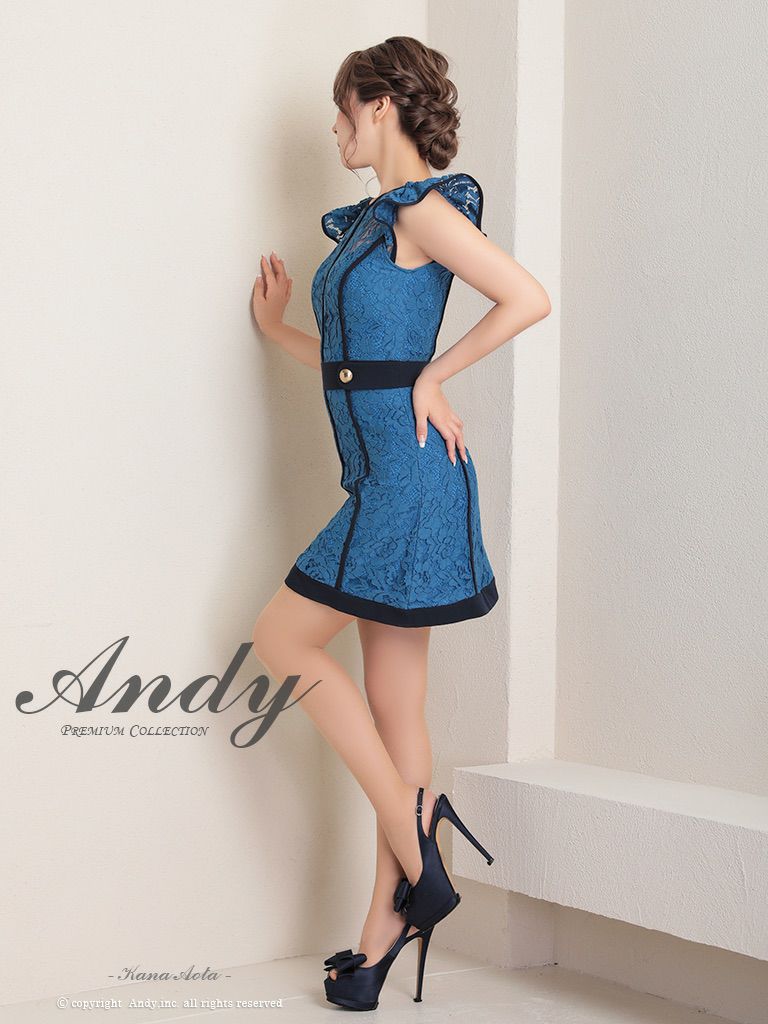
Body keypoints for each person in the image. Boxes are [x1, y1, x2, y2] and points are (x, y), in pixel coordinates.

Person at [250, 36, 550, 1010]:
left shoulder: (423, 209)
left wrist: (436, 375)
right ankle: (382, 941)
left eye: (344, 110)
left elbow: (527, 297)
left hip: (410, 483)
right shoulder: (374, 223)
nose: (335, 129)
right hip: (384, 477)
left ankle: (419, 856)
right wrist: (278, 333)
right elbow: (358, 363)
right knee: (395, 707)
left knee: (281, 638)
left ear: (380, 105)